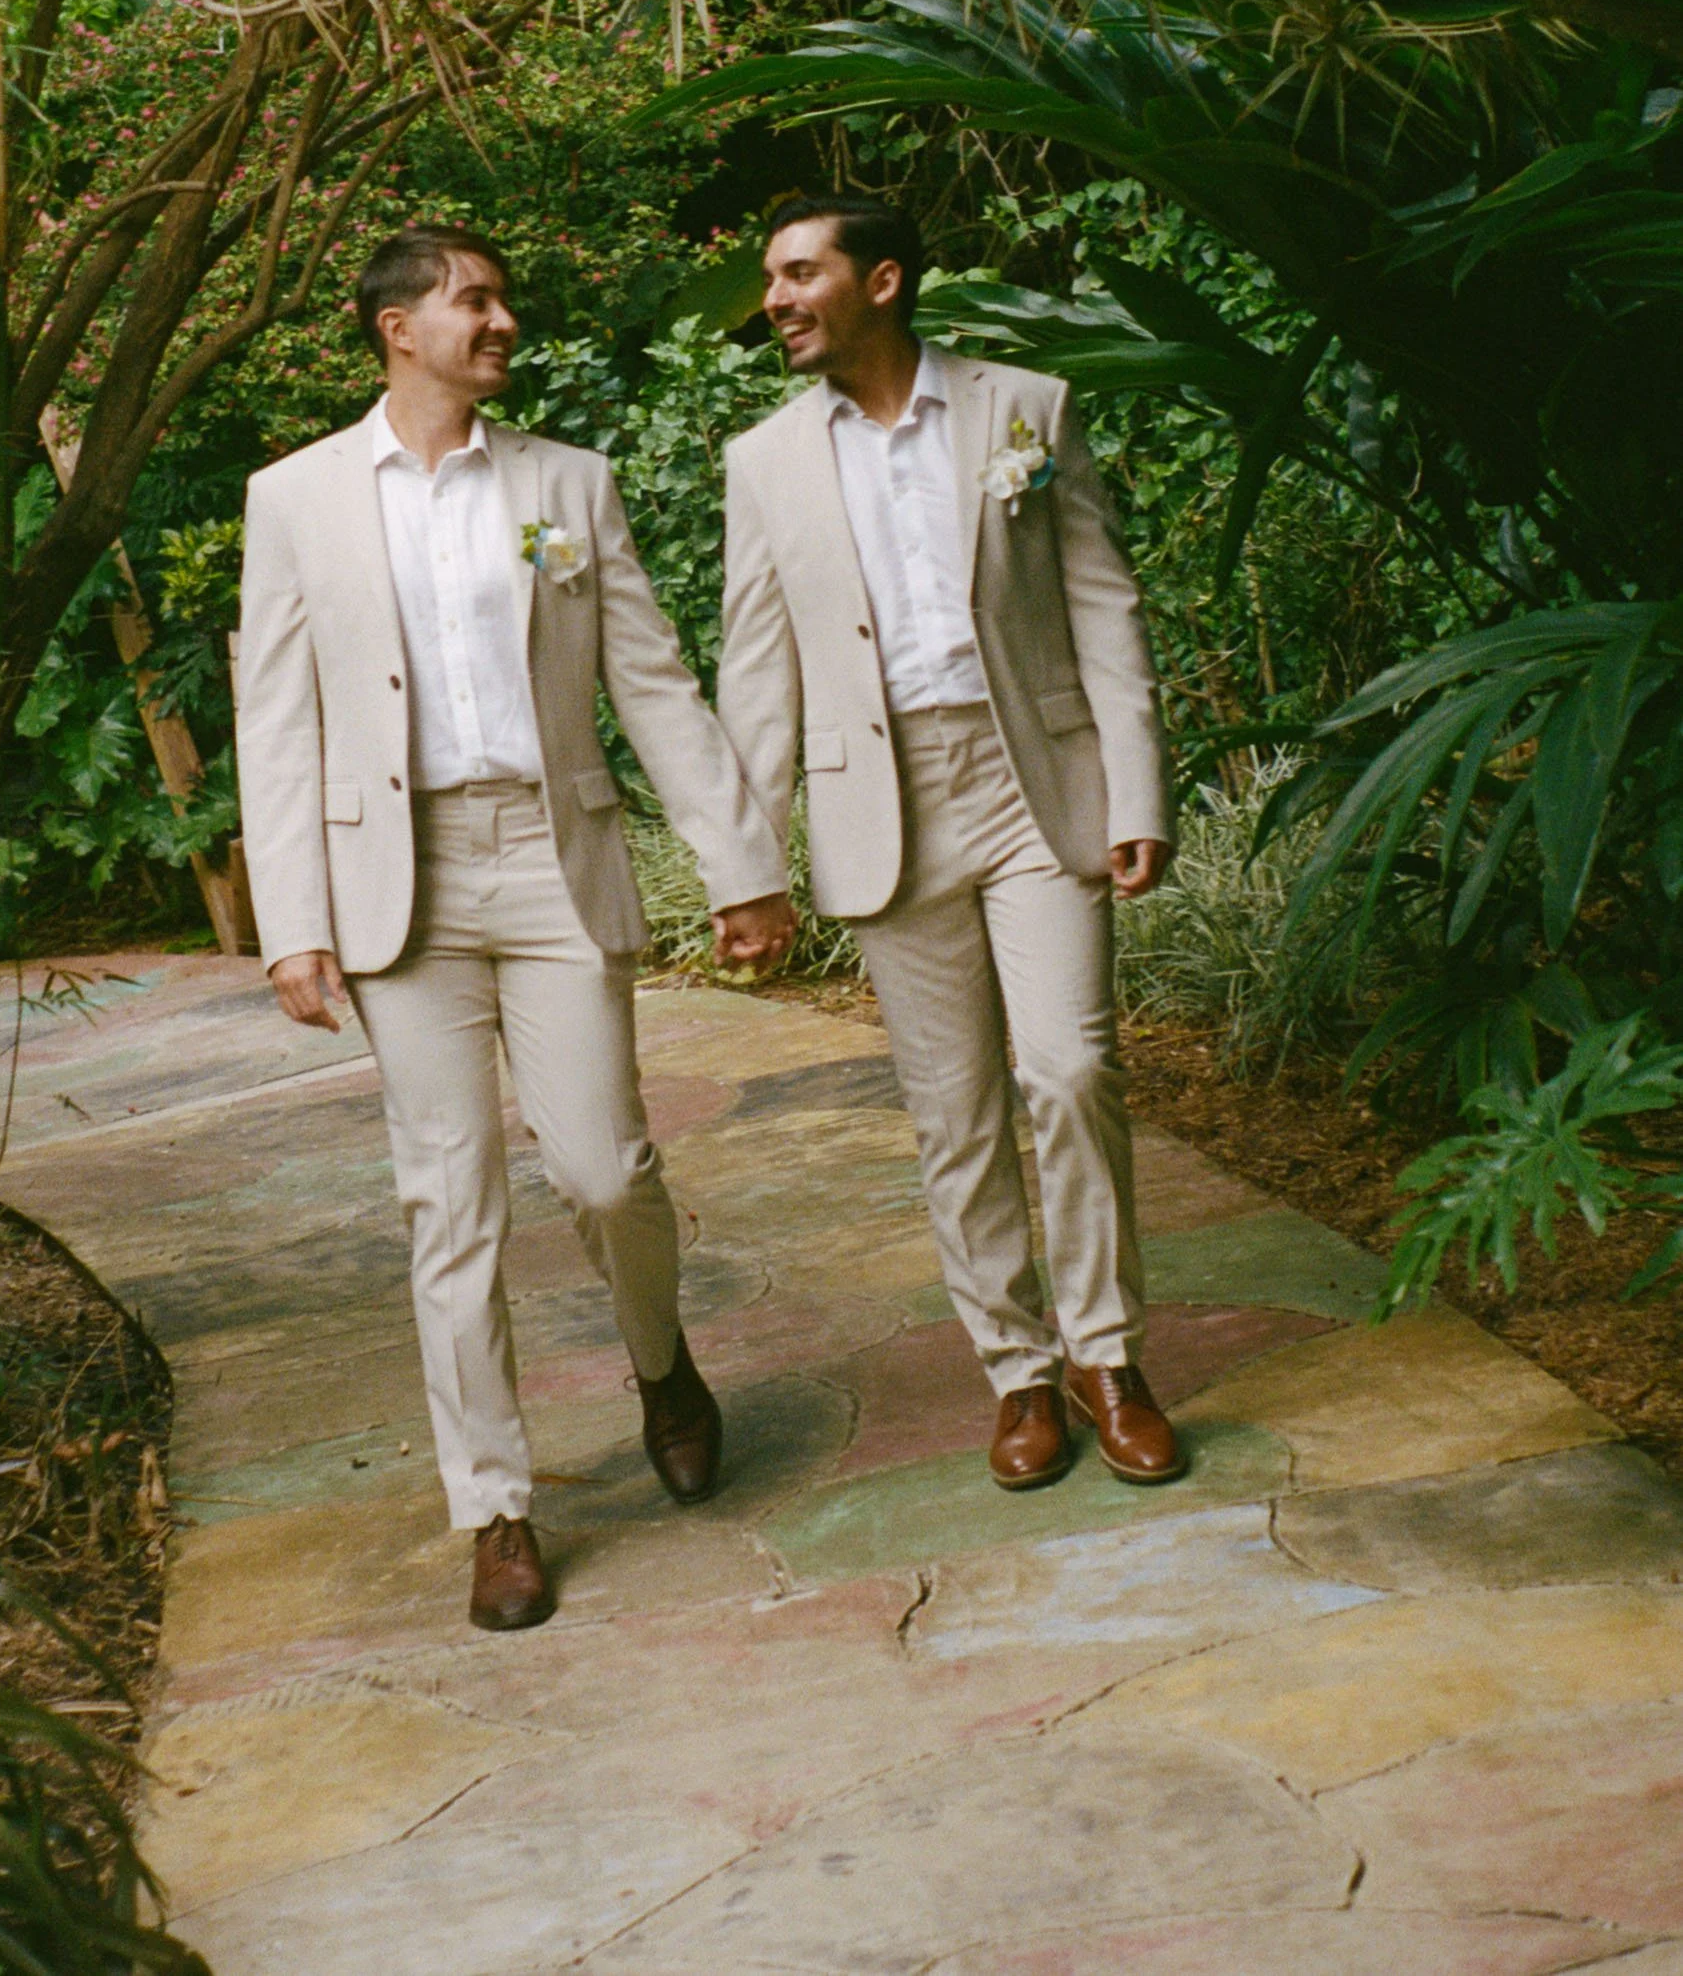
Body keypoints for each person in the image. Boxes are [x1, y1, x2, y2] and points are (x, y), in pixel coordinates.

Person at [237, 223, 796, 1633]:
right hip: (399, 885)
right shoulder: (295, 498)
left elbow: (650, 683)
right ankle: (494, 1506)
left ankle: (660, 1360)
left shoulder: (565, 484)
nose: (498, 322)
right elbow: (279, 723)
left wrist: (738, 862)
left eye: (500, 299)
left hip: (552, 863)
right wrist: (291, 921)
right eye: (471, 300)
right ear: (396, 328)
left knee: (605, 1173)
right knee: (450, 1202)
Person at [716, 193, 1182, 1492]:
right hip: (882, 800)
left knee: (1071, 1071)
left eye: (799, 271)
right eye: (770, 276)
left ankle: (1107, 1357)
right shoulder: (764, 462)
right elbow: (755, 672)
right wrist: (743, 867)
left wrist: (1135, 791)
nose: (777, 297)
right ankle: (1019, 1375)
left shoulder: (1021, 408)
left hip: (1032, 782)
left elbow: (1101, 601)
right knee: (953, 1113)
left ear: (882, 280)